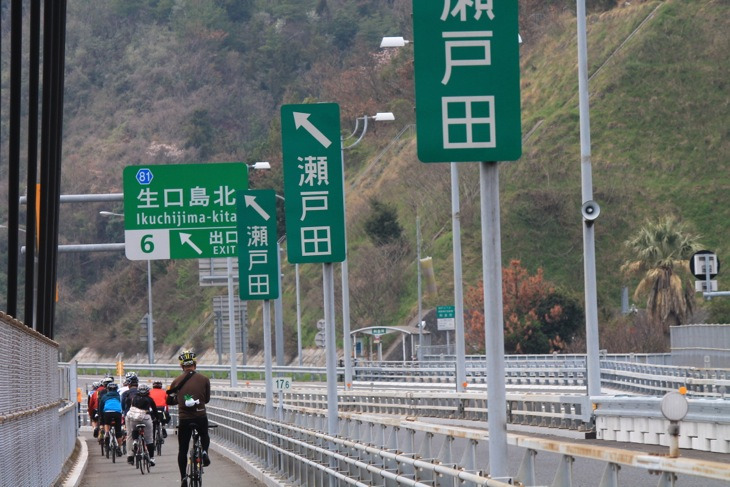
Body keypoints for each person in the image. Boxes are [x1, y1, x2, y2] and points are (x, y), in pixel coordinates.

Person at [169, 350, 211, 487]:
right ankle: (204, 451)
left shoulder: (176, 381)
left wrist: (179, 399)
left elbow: (169, 401)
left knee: (183, 449)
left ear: (182, 366)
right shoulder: (204, 379)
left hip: (184, 419)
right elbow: (207, 399)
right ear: (195, 364)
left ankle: (183, 478)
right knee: (204, 433)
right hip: (200, 415)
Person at [125, 384, 158, 466]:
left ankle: (135, 441)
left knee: (134, 430)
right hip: (145, 418)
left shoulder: (134, 398)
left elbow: (127, 405)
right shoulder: (149, 399)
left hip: (134, 418)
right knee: (149, 439)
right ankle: (151, 458)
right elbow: (155, 411)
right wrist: (156, 418)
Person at [98, 382, 124, 456]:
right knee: (118, 431)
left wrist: (101, 417)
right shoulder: (119, 396)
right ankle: (119, 448)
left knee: (106, 423)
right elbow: (122, 405)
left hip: (107, 413)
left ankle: (106, 434)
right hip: (117, 413)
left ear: (108, 389)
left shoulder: (104, 396)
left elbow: (101, 408)